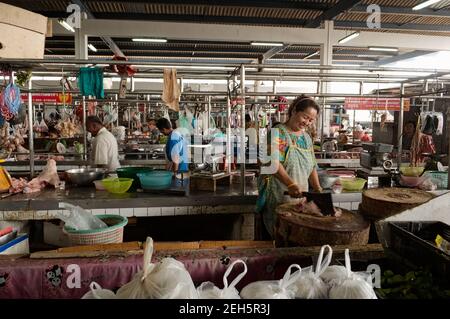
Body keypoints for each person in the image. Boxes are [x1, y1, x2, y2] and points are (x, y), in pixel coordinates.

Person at [256, 95, 322, 239]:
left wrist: (317, 189)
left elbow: (311, 166)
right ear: (294, 111)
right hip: (280, 197)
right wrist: (290, 184)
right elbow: (273, 163)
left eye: (311, 120)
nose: (307, 122)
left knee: (296, 239)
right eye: (305, 117)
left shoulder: (306, 138)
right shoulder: (278, 133)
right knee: (279, 238)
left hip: (300, 201)